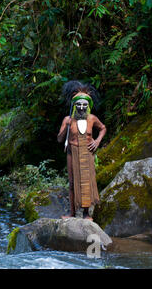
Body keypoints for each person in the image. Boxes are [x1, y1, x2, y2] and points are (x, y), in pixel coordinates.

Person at [57, 81, 106, 220]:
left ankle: (86, 214)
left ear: (88, 106)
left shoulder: (92, 119)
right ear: (74, 105)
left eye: (85, 105)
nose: (81, 107)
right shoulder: (68, 120)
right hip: (72, 151)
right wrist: (66, 126)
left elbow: (103, 128)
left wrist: (97, 141)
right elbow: (60, 139)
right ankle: (72, 213)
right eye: (79, 104)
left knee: (86, 181)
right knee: (72, 182)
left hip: (87, 151)